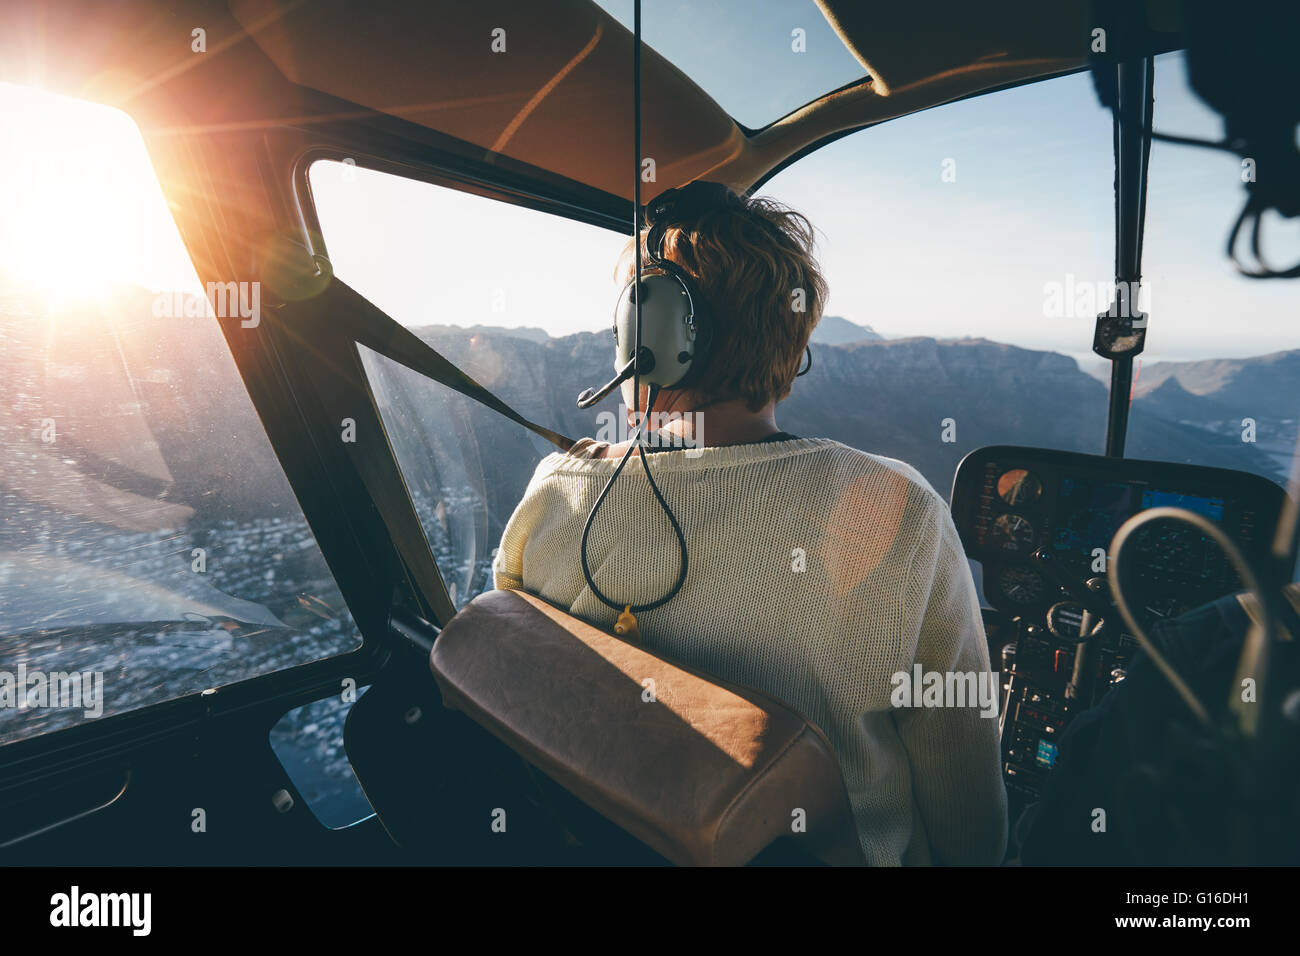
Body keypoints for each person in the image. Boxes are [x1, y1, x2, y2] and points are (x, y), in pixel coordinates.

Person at [492, 183, 1007, 866]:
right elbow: (964, 807)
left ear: (647, 337)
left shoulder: (555, 495)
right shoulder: (898, 509)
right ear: (791, 350)